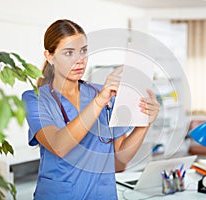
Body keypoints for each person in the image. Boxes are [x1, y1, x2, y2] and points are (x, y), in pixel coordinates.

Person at [22, 19, 160, 200]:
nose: (79, 60)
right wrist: (99, 101)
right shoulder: (35, 99)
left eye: (83, 51)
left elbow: (119, 163)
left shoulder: (103, 94)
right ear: (49, 55)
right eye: (69, 53)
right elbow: (59, 145)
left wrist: (144, 123)